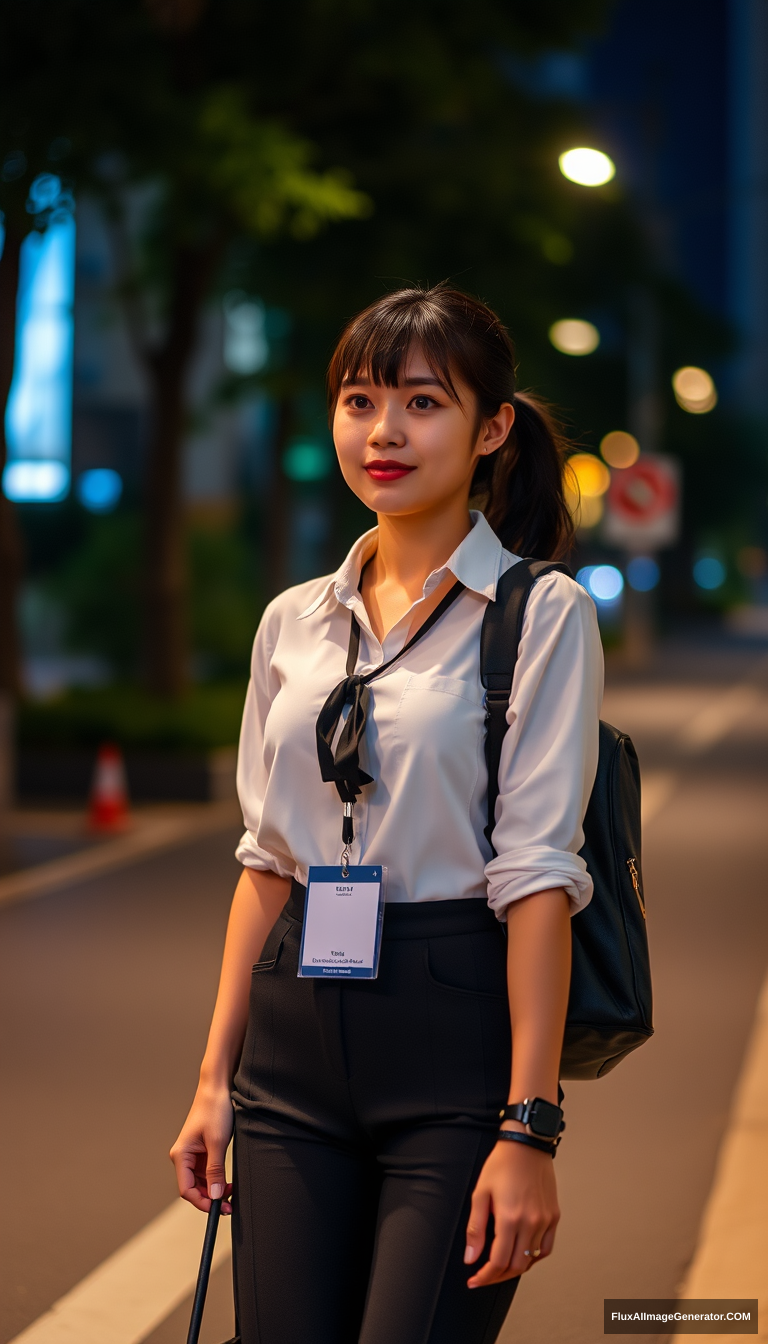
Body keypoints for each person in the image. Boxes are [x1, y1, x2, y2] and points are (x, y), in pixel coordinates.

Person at [171, 283, 602, 1344]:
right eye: (360, 401)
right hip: (292, 1046)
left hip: (453, 1042)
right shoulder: (294, 623)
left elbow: (540, 877)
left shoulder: (540, 615)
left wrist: (529, 1125)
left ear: (491, 428)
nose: (385, 432)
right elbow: (267, 863)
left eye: (422, 402)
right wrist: (212, 1083)